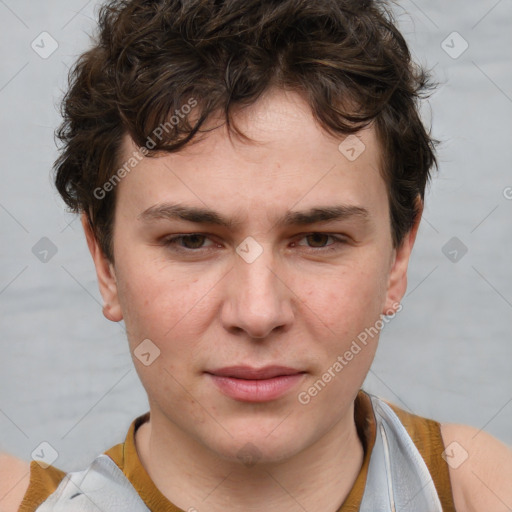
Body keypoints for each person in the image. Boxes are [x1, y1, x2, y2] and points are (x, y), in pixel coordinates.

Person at [1, 0, 511, 510]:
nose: (258, 312)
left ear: (399, 256)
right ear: (105, 263)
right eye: (192, 241)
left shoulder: (483, 491)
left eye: (317, 239)